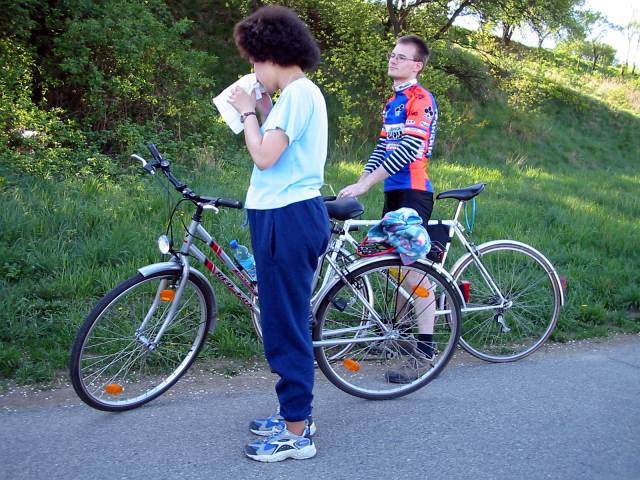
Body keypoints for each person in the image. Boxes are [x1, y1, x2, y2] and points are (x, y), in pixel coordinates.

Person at [226, 6, 329, 463]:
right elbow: (280, 149)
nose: (253, 71)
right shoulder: (293, 97)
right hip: (281, 215)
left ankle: (296, 433)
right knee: (281, 320)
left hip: (288, 217)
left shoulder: (301, 94)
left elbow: (265, 157)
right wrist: (264, 110)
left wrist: (249, 112)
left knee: (285, 325)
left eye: (254, 61)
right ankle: (295, 414)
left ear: (272, 54)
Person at [337, 35, 438, 384]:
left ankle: (425, 352)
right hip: (394, 192)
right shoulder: (393, 102)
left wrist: (367, 185)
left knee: (414, 273)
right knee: (394, 269)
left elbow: (409, 150)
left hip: (414, 191)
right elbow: (383, 148)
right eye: (392, 54)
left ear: (417, 65)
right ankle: (398, 335)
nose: (393, 60)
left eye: (401, 57)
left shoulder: (421, 99)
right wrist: (361, 180)